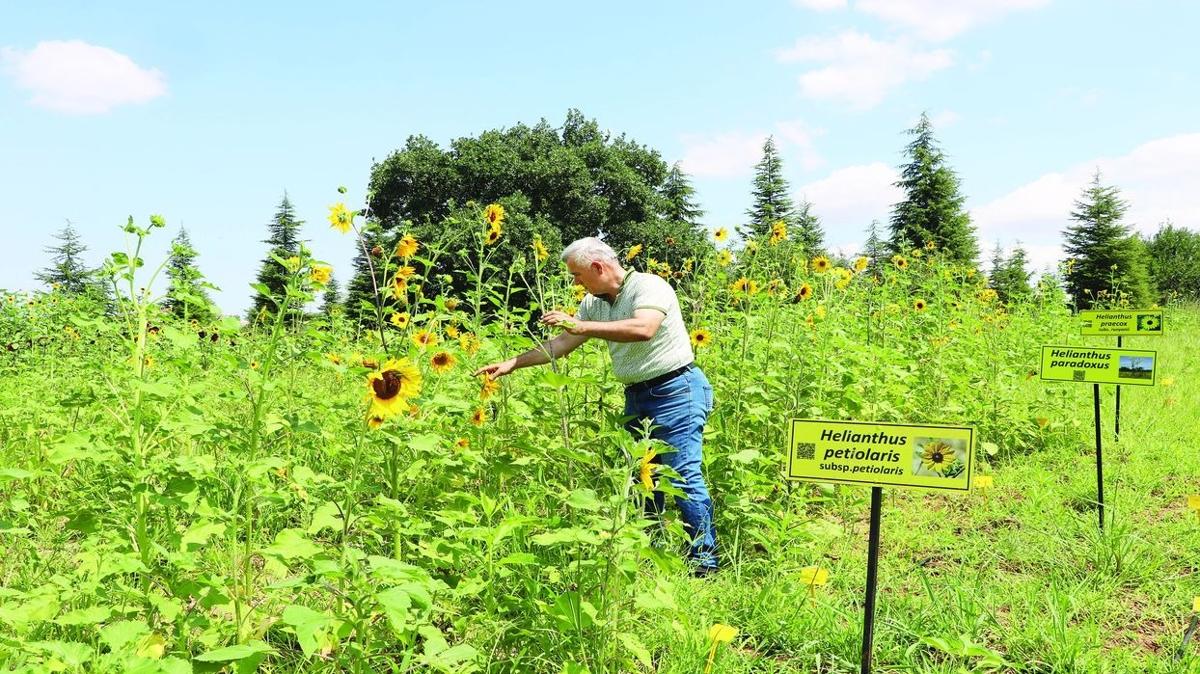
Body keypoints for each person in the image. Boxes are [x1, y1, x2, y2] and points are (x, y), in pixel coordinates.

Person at [474, 237, 718, 575]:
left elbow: (643, 328)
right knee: (643, 480)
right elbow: (562, 343)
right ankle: (651, 557)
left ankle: (704, 565)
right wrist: (513, 363)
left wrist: (582, 325)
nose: (575, 282)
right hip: (638, 396)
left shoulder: (649, 286)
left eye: (576, 275)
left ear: (598, 267)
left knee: (683, 478)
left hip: (677, 391)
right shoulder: (594, 304)